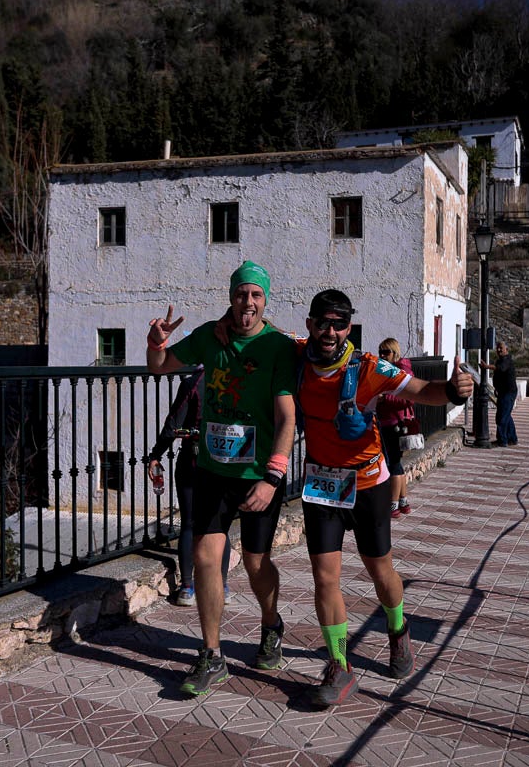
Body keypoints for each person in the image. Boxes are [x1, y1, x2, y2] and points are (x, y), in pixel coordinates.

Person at [294, 290, 473, 706]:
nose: (330, 331)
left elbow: (421, 390)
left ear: (349, 328)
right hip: (322, 484)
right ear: (310, 324)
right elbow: (255, 331)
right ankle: (339, 664)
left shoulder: (370, 368)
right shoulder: (296, 354)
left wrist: (453, 390)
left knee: (380, 571)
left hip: (368, 485)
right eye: (323, 322)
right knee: (325, 578)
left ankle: (397, 629)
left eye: (340, 324)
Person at [147, 261, 298, 696]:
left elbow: (286, 417)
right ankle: (212, 655)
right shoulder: (209, 337)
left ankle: (270, 624)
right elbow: (160, 367)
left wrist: (273, 476)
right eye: (240, 294)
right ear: (230, 298)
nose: (247, 302)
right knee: (206, 556)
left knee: (255, 563)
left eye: (255, 295)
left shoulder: (278, 347)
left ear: (265, 300)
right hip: (213, 469)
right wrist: (156, 342)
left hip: (258, 475)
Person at [146, 368, 232, 606]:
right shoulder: (237, 380)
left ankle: (187, 587)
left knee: (189, 524)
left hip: (193, 462)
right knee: (221, 525)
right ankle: (222, 585)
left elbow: (172, 425)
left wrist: (155, 455)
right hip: (225, 462)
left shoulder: (193, 382)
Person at [376, 338, 416, 519]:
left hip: (394, 424)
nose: (382, 356)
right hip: (390, 423)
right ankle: (403, 502)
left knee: (393, 464)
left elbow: (409, 398)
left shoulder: (401, 372)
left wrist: (384, 399)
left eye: (386, 352)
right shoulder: (390, 369)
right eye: (380, 352)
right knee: (396, 463)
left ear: (395, 353)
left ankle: (393, 505)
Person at [481, 341, 518, 446]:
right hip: (502, 392)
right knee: (506, 416)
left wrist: (487, 366)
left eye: (501, 348)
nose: (498, 350)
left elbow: (501, 369)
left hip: (508, 393)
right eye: (497, 348)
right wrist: (497, 388)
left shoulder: (507, 360)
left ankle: (502, 440)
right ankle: (512, 438)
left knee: (502, 417)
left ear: (506, 349)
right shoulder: (500, 360)